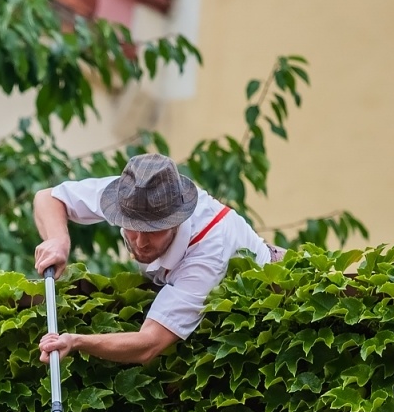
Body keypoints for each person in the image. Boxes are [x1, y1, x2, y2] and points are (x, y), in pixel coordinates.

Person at [32, 152, 284, 366]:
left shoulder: (208, 253)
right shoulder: (133, 195)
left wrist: (76, 341)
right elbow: (48, 197)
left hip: (268, 296)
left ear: (178, 219)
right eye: (131, 226)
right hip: (177, 283)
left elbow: (149, 344)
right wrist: (58, 241)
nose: (140, 243)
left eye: (153, 230)